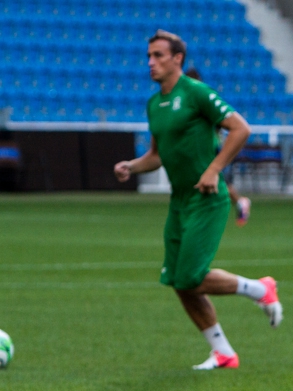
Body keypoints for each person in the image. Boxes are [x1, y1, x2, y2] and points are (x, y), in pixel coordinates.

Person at [114, 30, 283, 370]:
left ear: (177, 58)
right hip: (179, 203)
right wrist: (131, 166)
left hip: (207, 199)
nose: (151, 62)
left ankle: (260, 288)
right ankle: (223, 352)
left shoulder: (196, 93)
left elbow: (241, 129)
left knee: (191, 276)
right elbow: (156, 155)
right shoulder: (154, 103)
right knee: (179, 281)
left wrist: (213, 169)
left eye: (158, 55)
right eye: (148, 56)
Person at [185, 67, 252, 227]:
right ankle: (237, 203)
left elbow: (223, 123)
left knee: (221, 183)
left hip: (212, 149)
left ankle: (241, 202)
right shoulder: (193, 99)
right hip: (203, 149)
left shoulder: (204, 98)